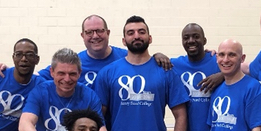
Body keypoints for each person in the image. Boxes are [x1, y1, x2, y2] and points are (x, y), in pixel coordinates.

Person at [19, 47, 109, 131]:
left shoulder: (89, 96)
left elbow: (101, 130)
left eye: (72, 74)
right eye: (61, 73)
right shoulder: (40, 91)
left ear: (79, 73)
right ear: (52, 72)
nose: (67, 79)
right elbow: (25, 123)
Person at [35, 15, 172, 87]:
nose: (95, 36)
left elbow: (143, 60)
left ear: (108, 33)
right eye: (89, 32)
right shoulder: (73, 62)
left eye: (99, 31)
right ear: (82, 36)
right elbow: (36, 78)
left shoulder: (126, 58)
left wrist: (156, 56)